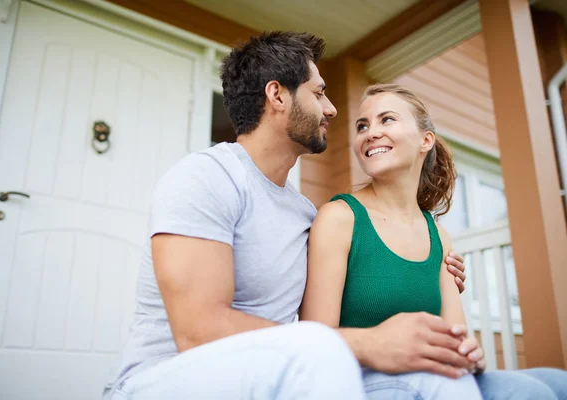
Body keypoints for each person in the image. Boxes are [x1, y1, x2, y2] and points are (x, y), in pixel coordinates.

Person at [102, 32, 469, 399]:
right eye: (319, 92)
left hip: (267, 377)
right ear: (277, 95)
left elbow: (361, 276)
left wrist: (430, 270)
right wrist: (368, 343)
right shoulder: (206, 178)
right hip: (166, 380)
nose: (331, 109)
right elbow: (199, 333)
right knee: (322, 359)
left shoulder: (304, 215)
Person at [300, 83, 567, 400]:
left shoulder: (437, 234)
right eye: (363, 125)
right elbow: (316, 341)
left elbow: (454, 338)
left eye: (387, 120)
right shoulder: (339, 218)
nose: (370, 133)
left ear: (425, 140)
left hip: (434, 376)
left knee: (550, 385)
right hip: (360, 380)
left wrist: (469, 354)